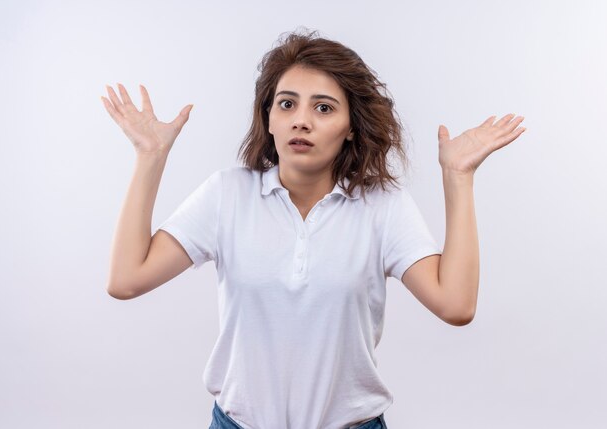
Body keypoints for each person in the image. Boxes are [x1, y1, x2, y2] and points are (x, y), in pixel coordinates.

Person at [101, 30, 526, 429]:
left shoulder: (383, 207)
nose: (301, 120)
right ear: (268, 118)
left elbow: (455, 305)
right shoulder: (227, 195)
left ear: (351, 128)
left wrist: (458, 176)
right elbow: (126, 279)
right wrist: (150, 156)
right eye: (287, 104)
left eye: (323, 108)